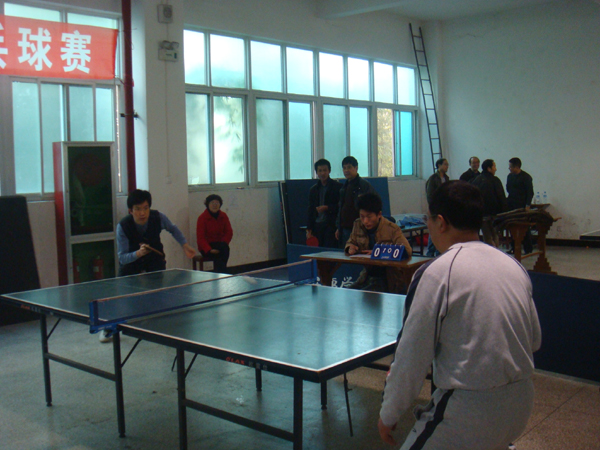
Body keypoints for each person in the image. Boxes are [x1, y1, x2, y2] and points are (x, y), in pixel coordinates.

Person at [378, 181, 541, 450]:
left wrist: (388, 414)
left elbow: (411, 356)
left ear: (441, 222)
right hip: (520, 404)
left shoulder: (437, 272)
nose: (428, 226)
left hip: (468, 411)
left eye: (428, 219)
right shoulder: (513, 265)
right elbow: (534, 341)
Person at [107, 189, 196, 343]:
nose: (142, 213)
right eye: (138, 209)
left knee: (157, 293)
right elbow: (122, 258)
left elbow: (173, 229)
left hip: (154, 258)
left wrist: (185, 245)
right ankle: (108, 327)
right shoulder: (123, 226)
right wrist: (138, 254)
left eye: (146, 208)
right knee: (121, 296)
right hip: (131, 261)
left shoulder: (158, 217)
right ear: (130, 210)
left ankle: (156, 325)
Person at [344, 192, 412, 293]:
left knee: (365, 294)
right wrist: (350, 247)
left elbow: (407, 250)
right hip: (366, 276)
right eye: (362, 216)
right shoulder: (358, 224)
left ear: (379, 214)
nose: (365, 221)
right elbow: (351, 241)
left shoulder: (392, 229)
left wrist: (379, 252)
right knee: (347, 293)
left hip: (388, 279)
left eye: (369, 217)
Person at [335, 156, 375, 247]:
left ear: (356, 168)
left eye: (349, 167)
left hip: (361, 228)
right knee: (346, 253)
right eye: (344, 168)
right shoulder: (343, 188)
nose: (346, 170)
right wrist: (339, 228)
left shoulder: (364, 186)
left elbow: (373, 206)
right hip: (345, 229)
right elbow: (340, 209)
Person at [472, 159, 508, 247]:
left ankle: (489, 253)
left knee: (487, 236)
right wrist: (504, 212)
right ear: (489, 168)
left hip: (482, 214)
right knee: (495, 235)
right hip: (494, 214)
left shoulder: (476, 180)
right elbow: (501, 197)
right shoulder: (495, 180)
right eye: (494, 166)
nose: (496, 169)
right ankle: (496, 252)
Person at [306, 159, 342, 248]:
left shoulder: (338, 187)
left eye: (325, 170)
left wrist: (327, 207)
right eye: (320, 171)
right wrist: (309, 229)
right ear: (316, 172)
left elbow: (340, 207)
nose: (322, 173)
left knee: (329, 251)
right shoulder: (313, 189)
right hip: (317, 226)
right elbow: (310, 210)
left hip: (331, 226)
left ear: (329, 171)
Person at [196, 194, 233, 273]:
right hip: (207, 246)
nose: (214, 205)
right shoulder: (202, 218)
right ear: (207, 204)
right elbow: (200, 237)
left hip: (221, 244)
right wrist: (209, 249)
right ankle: (221, 274)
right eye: (212, 203)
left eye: (217, 203)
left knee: (225, 249)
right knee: (217, 258)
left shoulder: (223, 216)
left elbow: (229, 232)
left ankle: (222, 273)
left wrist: (224, 242)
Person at [506, 157, 534, 254]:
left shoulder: (526, 177)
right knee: (512, 226)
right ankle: (514, 247)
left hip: (522, 205)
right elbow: (508, 189)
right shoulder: (510, 176)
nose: (509, 168)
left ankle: (528, 248)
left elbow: (530, 193)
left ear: (516, 167)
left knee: (524, 227)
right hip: (511, 204)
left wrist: (527, 205)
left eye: (510, 167)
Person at [425, 158, 449, 256]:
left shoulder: (446, 178)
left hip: (444, 209)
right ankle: (429, 254)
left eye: (447, 165)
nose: (447, 166)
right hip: (436, 209)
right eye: (445, 164)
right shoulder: (433, 179)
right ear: (439, 165)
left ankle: (439, 252)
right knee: (435, 230)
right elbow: (430, 195)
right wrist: (434, 208)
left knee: (442, 230)